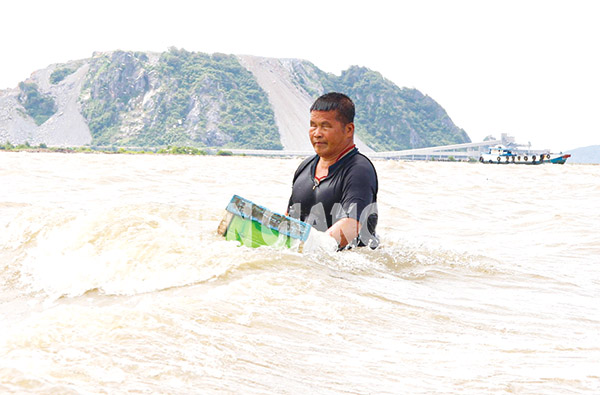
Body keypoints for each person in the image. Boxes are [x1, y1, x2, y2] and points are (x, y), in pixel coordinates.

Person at [287, 92, 379, 249]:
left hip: (347, 269)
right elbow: (289, 222)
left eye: (325, 126)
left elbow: (351, 225)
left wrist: (309, 250)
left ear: (349, 129)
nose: (317, 133)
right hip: (310, 264)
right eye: (313, 125)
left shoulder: (359, 170)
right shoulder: (304, 167)